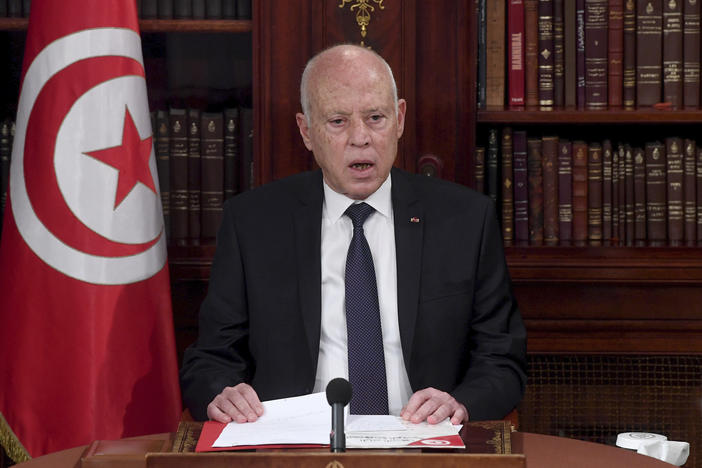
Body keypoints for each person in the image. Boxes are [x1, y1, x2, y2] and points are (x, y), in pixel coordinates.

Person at [180, 44, 527, 426]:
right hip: (292, 444)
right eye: (338, 121)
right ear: (306, 131)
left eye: (375, 118)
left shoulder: (464, 219)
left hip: (422, 442)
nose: (361, 138)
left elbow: (502, 358)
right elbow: (210, 359)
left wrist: (460, 404)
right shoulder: (253, 223)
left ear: (399, 119)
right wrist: (222, 393)